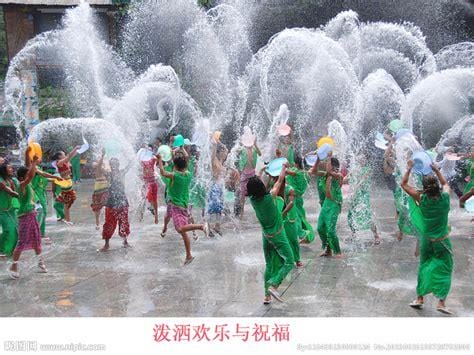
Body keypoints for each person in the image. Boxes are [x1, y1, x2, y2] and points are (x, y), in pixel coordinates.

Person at [402, 160, 454, 315]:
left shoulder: (421, 198)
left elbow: (404, 184)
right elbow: (445, 183)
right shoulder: (445, 198)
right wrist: (436, 170)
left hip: (426, 241)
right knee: (445, 268)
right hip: (442, 242)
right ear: (436, 186)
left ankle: (419, 299)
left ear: (424, 188)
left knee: (424, 266)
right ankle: (441, 302)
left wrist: (409, 167)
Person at [247, 162, 295, 304]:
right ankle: (274, 285)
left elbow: (255, 182)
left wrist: (261, 170)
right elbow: (280, 180)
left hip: (265, 235)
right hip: (277, 235)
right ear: (262, 187)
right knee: (289, 261)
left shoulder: (253, 200)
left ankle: (266, 296)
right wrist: (284, 168)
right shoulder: (271, 196)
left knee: (269, 264)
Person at [157, 153, 209, 265]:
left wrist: (160, 159)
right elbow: (187, 162)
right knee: (184, 232)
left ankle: (201, 226)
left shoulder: (174, 175)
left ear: (174, 166)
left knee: (180, 229)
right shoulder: (188, 174)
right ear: (185, 166)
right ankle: (188, 255)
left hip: (176, 207)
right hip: (184, 206)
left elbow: (162, 172)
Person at [9, 156, 47, 279]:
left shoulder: (28, 184)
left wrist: (32, 165)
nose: (31, 175)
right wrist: (34, 163)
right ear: (21, 177)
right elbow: (31, 175)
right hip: (24, 217)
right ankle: (14, 265)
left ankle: (40, 263)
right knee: (22, 241)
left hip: (31, 216)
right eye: (27, 174)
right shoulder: (22, 185)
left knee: (36, 239)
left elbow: (31, 174)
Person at [347, 156, 381, 245]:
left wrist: (356, 188)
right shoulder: (356, 169)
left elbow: (363, 180)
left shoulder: (368, 169)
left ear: (366, 160)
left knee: (367, 214)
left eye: (363, 159)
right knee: (351, 214)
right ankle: (353, 234)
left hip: (363, 195)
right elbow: (348, 178)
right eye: (360, 158)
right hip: (355, 195)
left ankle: (376, 235)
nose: (361, 160)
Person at [99, 158, 131, 251]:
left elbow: (130, 164)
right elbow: (100, 168)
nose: (114, 165)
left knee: (124, 222)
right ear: (110, 165)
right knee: (109, 223)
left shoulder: (122, 172)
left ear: (119, 164)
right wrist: (102, 156)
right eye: (112, 164)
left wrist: (128, 154)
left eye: (116, 163)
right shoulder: (108, 174)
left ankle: (125, 241)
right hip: (111, 202)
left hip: (122, 201)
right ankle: (106, 244)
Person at [316, 155, 344, 258]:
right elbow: (314, 171)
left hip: (334, 204)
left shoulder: (338, 175)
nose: (325, 164)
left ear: (333, 166)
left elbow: (333, 174)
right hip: (326, 203)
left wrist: (328, 157)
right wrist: (318, 158)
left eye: (328, 163)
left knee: (330, 229)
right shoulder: (325, 174)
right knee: (320, 228)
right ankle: (328, 249)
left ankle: (338, 251)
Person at [286, 155, 315, 244]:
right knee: (301, 217)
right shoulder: (306, 174)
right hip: (299, 199)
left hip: (292, 198)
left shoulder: (296, 173)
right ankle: (304, 235)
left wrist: (284, 165)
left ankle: (304, 234)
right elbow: (313, 168)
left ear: (296, 164)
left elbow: (286, 171)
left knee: (295, 217)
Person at [52, 146, 80, 225]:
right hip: (66, 184)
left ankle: (67, 219)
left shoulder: (64, 162)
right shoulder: (60, 163)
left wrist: (77, 151)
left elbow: (70, 156)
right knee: (67, 203)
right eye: (63, 154)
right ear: (60, 156)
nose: (65, 155)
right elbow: (69, 157)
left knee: (67, 203)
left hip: (67, 183)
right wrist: (75, 148)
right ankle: (67, 220)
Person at [238, 135, 261, 219]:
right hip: (244, 173)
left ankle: (257, 211)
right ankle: (241, 213)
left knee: (254, 193)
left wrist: (255, 144)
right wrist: (241, 142)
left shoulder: (254, 149)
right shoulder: (243, 149)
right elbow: (237, 151)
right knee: (242, 194)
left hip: (252, 173)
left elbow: (260, 154)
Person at [208, 138, 228, 236]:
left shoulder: (220, 161)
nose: (225, 154)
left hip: (220, 186)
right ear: (219, 152)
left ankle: (217, 226)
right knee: (212, 208)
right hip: (214, 186)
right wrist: (216, 145)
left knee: (220, 208)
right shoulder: (214, 160)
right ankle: (207, 226)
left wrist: (221, 142)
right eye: (223, 152)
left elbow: (226, 150)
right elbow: (213, 153)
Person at [0, 161, 19, 258]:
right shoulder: (1, 181)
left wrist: (13, 183)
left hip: (10, 210)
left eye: (12, 168)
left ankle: (9, 251)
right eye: (10, 168)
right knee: (9, 230)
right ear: (4, 170)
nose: (12, 169)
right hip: (2, 210)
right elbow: (12, 193)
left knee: (16, 230)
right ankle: (2, 250)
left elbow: (14, 190)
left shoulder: (9, 180)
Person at [90, 150, 109, 230]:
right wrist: (102, 155)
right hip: (98, 186)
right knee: (97, 206)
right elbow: (98, 165)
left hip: (105, 186)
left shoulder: (105, 167)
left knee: (107, 204)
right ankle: (97, 223)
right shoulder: (95, 165)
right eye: (98, 158)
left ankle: (107, 222)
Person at [140, 148, 159, 224]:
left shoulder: (152, 160)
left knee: (155, 200)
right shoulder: (142, 161)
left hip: (153, 182)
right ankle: (141, 216)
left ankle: (156, 216)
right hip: (147, 183)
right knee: (144, 199)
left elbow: (158, 160)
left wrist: (155, 155)